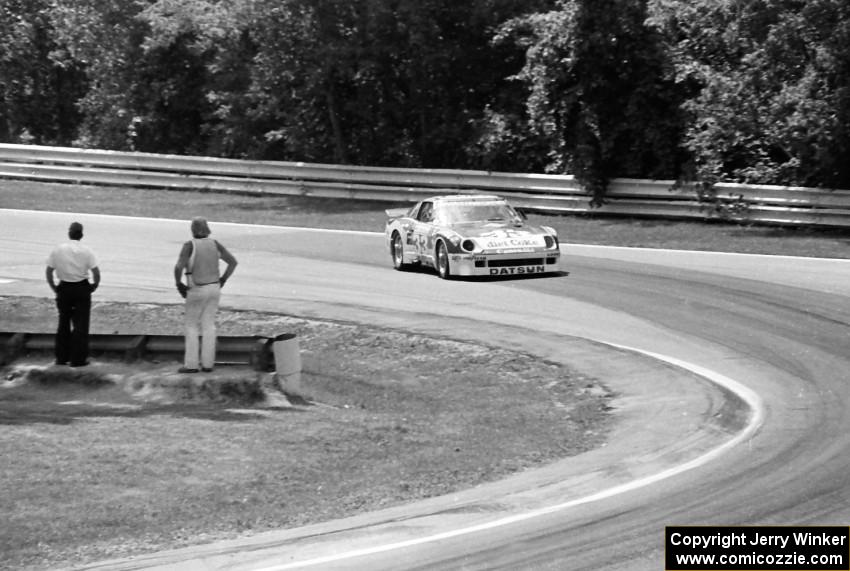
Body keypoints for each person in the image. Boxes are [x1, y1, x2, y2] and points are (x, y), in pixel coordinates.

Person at [173, 217, 238, 373]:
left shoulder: (189, 246)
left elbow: (179, 267)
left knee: (191, 325)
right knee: (209, 325)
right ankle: (208, 364)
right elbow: (233, 262)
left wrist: (178, 283)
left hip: (197, 289)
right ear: (207, 229)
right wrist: (223, 279)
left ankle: (191, 364)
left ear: (193, 230)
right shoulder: (215, 244)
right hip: (215, 288)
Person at [45, 221, 101, 367]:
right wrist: (93, 286)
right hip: (81, 288)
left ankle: (61, 357)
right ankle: (78, 359)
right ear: (81, 235)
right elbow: (96, 272)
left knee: (63, 322)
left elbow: (49, 271)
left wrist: (54, 287)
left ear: (69, 233)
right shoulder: (87, 251)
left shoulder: (58, 250)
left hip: (64, 288)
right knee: (81, 325)